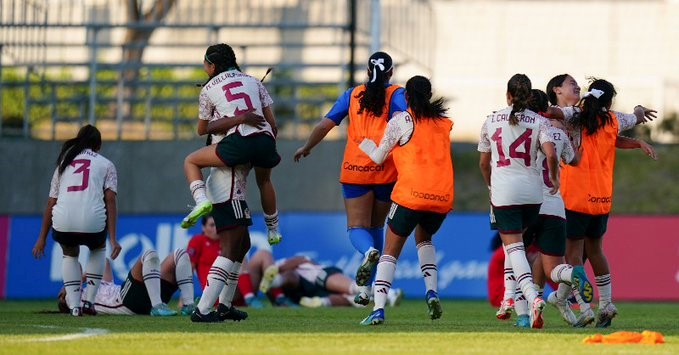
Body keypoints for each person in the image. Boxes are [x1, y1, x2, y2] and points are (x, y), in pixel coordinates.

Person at [293, 51, 407, 306]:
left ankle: (367, 253)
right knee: (377, 227)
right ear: (391, 73)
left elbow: (325, 125)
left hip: (355, 171)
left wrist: (307, 146)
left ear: (367, 72)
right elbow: (404, 125)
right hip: (386, 171)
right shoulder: (397, 94)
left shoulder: (353, 94)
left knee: (357, 228)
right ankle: (367, 290)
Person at [546, 74, 657, 327]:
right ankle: (606, 303)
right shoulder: (615, 120)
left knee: (572, 255)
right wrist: (639, 130)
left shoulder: (576, 116)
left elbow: (554, 113)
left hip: (575, 197)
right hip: (602, 199)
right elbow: (636, 116)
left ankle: (584, 308)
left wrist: (539, 105)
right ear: (610, 100)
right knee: (595, 251)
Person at [356, 75, 452, 325]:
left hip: (411, 195)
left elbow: (378, 157)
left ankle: (378, 308)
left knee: (390, 252)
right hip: (441, 197)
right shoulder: (443, 122)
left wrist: (364, 144)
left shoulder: (401, 121)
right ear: (429, 95)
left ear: (406, 96)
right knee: (425, 239)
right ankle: (432, 292)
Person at [495, 88, 593, 327]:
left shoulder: (521, 126)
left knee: (513, 254)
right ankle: (573, 274)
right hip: (555, 206)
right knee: (554, 268)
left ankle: (522, 314)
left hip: (526, 201)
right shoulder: (557, 133)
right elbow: (575, 161)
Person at [181, 43, 283, 247]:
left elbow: (203, 129)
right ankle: (273, 230)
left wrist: (239, 119)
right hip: (265, 139)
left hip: (239, 142)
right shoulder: (254, 81)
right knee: (265, 182)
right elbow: (273, 124)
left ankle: (201, 201)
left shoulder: (208, 89)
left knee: (191, 161)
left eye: (204, 63)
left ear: (211, 66)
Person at [478, 74, 559, 329]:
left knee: (513, 250)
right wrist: (554, 177)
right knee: (517, 250)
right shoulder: (538, 121)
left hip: (504, 193)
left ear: (508, 95)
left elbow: (483, 162)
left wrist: (491, 184)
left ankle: (531, 298)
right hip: (533, 194)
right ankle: (511, 303)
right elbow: (550, 153)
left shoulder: (491, 119)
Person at [32, 124, 122, 317]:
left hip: (63, 221)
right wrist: (113, 238)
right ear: (98, 145)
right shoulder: (106, 164)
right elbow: (110, 200)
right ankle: (89, 302)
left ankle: (74, 307)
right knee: (98, 249)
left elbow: (51, 202)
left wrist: (42, 238)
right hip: (93, 221)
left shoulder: (63, 163)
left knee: (70, 254)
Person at [57, 248, 195, 316]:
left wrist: (85, 277)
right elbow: (75, 270)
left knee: (180, 254)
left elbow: (103, 263)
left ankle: (189, 305)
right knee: (149, 255)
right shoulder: (72, 299)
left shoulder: (96, 288)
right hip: (125, 301)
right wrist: (69, 286)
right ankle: (157, 307)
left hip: (147, 295)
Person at [255, 249, 403, 308]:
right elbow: (303, 260)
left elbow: (301, 260)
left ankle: (389, 294)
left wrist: (278, 270)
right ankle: (389, 294)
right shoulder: (277, 271)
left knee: (353, 292)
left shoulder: (281, 265)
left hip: (313, 281)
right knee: (354, 294)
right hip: (311, 285)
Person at [187, 215, 270, 308]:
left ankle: (278, 296)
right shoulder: (198, 240)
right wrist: (186, 298)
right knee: (240, 258)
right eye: (212, 225)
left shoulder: (226, 240)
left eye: (218, 225)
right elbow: (189, 268)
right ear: (203, 227)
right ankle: (251, 296)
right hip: (215, 294)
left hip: (236, 290)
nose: (216, 228)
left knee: (264, 254)